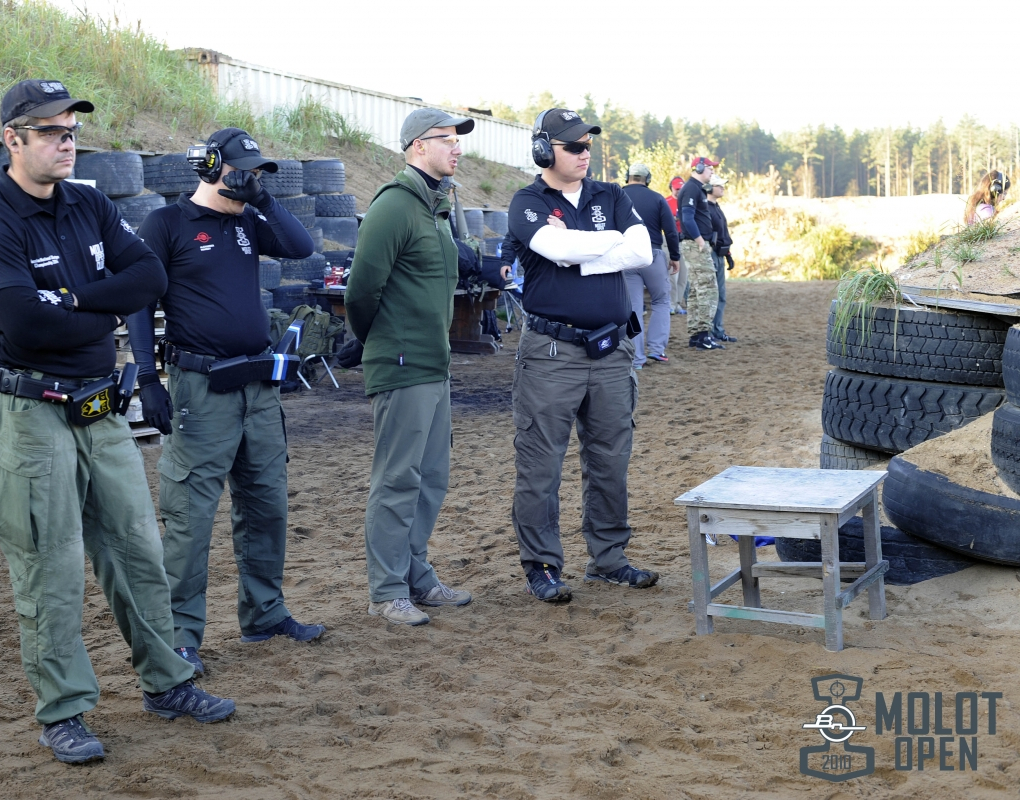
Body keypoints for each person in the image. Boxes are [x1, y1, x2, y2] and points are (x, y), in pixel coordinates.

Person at [0, 80, 234, 765]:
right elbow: (24, 322)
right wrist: (100, 305)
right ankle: (63, 712)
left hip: (99, 408)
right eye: (51, 131)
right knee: (48, 566)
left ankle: (167, 683)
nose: (67, 142)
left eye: (72, 131)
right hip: (30, 414)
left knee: (138, 551)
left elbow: (149, 280)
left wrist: (73, 300)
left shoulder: (90, 203)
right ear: (13, 140)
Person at [125, 129, 326, 677]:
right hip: (201, 389)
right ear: (211, 166)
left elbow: (301, 247)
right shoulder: (166, 224)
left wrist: (263, 199)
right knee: (190, 518)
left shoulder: (248, 221)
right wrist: (148, 379)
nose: (251, 179)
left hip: (258, 388)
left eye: (258, 172)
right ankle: (180, 639)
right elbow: (138, 304)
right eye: (244, 171)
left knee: (267, 506)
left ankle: (265, 613)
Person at [507, 108, 659, 603]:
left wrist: (584, 257)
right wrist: (608, 242)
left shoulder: (611, 194)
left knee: (611, 460)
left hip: (612, 350)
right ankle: (542, 568)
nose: (584, 153)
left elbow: (642, 252)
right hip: (551, 354)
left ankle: (609, 559)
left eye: (588, 145)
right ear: (543, 150)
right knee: (540, 466)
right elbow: (555, 248)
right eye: (573, 146)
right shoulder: (527, 202)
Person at [344, 108, 476, 626]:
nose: (457, 148)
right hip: (402, 364)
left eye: (457, 140)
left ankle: (416, 574)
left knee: (431, 478)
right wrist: (380, 342)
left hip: (433, 363)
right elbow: (361, 291)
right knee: (398, 479)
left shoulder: (433, 206)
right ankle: (386, 590)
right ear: (418, 146)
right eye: (447, 139)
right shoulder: (395, 205)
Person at [621, 162, 680, 366]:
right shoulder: (657, 198)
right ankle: (657, 349)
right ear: (647, 179)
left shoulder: (616, 196)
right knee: (661, 301)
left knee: (634, 307)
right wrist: (675, 256)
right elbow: (670, 231)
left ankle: (636, 358)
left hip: (627, 256)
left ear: (627, 176)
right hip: (652, 254)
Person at [679, 157, 724, 350]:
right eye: (709, 167)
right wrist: (700, 242)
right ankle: (704, 336)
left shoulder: (696, 188)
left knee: (697, 291)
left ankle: (697, 335)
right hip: (695, 245)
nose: (712, 171)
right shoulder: (691, 188)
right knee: (708, 289)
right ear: (698, 168)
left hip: (694, 244)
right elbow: (687, 218)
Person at [706, 177, 737, 342]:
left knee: (720, 296)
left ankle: (717, 331)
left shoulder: (716, 207)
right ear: (709, 188)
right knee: (711, 295)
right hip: (711, 255)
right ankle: (708, 332)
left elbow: (722, 233)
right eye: (719, 185)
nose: (722, 188)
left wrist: (728, 255)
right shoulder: (705, 208)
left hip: (719, 254)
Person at [666, 176, 688, 314]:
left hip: (685, 240)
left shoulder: (687, 202)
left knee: (683, 276)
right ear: (672, 188)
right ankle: (671, 303)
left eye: (681, 188)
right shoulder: (666, 202)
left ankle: (678, 303)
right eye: (677, 188)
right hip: (671, 240)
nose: (679, 191)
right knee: (672, 275)